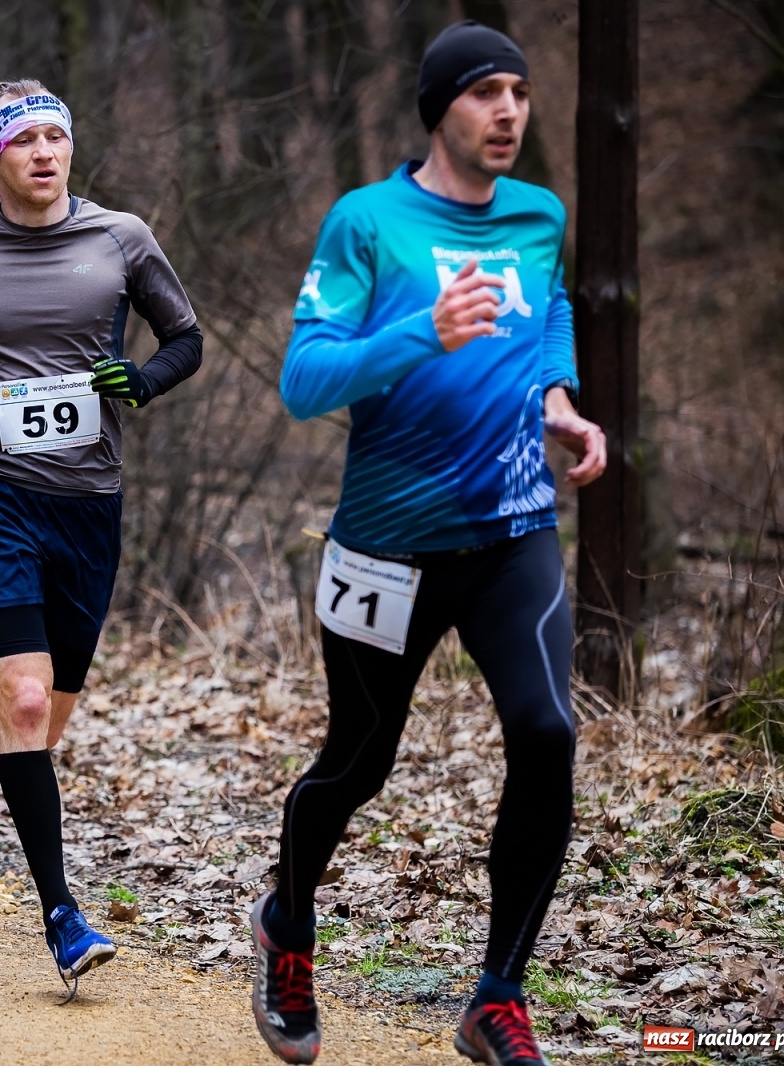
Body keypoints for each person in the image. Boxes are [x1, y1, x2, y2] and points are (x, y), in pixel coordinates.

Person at [252, 21, 607, 1066]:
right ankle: (288, 925)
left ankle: (497, 996)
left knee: (546, 733)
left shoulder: (538, 214)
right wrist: (420, 334)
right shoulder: (366, 223)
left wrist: (558, 400)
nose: (507, 111)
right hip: (386, 546)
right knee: (357, 763)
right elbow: (303, 381)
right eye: (485, 92)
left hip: (511, 534)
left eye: (520, 92)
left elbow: (547, 311)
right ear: (438, 107)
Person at [0, 80, 203, 995]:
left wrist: (141, 381)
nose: (46, 152)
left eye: (58, 135)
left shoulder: (121, 238)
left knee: (41, 718)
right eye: (26, 140)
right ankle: (62, 917)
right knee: (23, 704)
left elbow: (186, 338)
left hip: (90, 505)